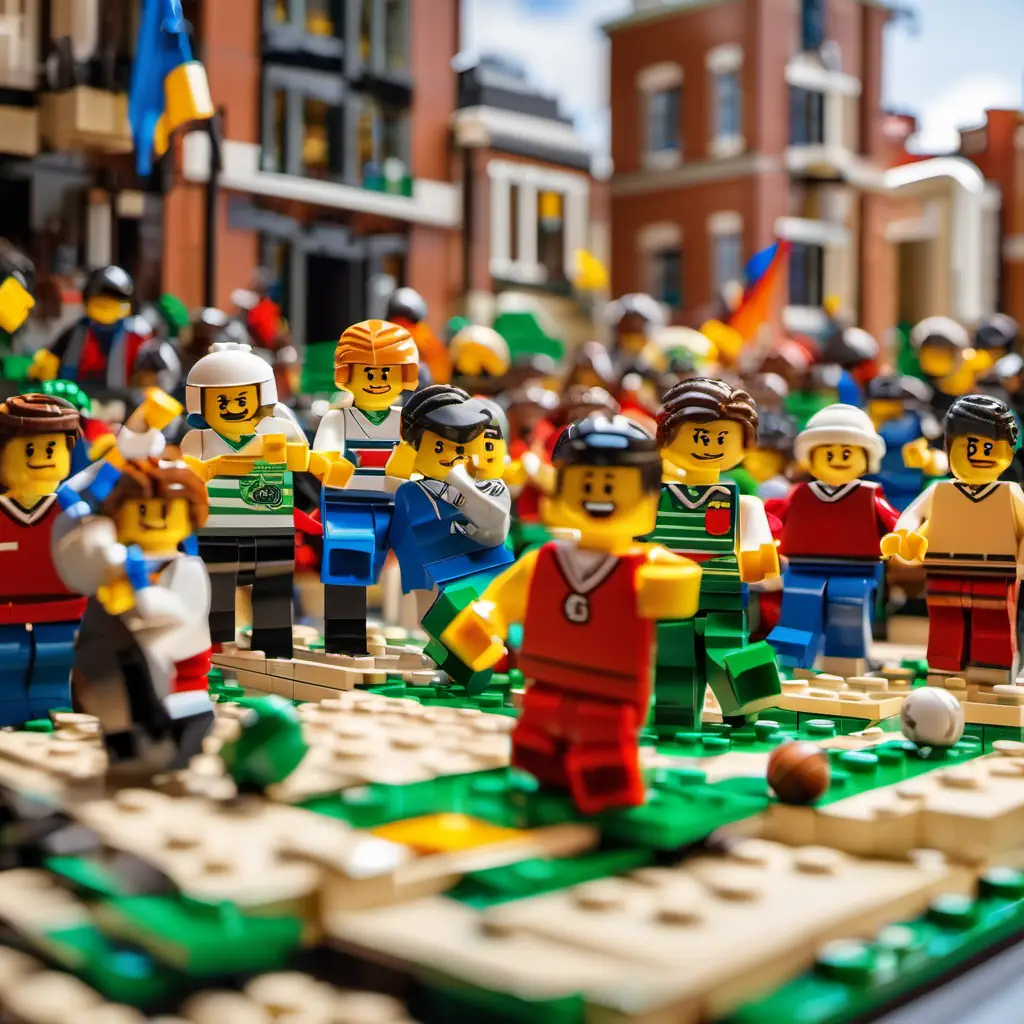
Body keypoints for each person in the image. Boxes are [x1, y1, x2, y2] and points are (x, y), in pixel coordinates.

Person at [442, 414, 701, 813]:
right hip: (547, 682)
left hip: (610, 692)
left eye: (614, 485)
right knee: (535, 745)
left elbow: (678, 587)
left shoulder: (646, 564)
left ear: (649, 498)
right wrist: (483, 621)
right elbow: (499, 600)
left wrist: (672, 582)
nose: (599, 495)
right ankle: (547, 783)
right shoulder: (544, 560)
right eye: (586, 483)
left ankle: (610, 815)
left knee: (605, 760)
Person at [182, 342, 350, 658]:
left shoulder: (281, 429)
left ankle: (273, 653)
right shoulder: (199, 439)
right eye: (221, 400)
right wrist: (219, 465)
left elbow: (308, 462)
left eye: (242, 398)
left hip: (272, 529)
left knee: (272, 596)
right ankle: (213, 654)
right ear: (200, 400)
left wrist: (328, 467)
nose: (232, 406)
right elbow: (191, 474)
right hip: (219, 530)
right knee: (217, 598)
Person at [52, 457, 215, 776]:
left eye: (166, 510)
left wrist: (140, 590)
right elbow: (76, 569)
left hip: (180, 666)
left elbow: (184, 615)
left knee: (171, 724)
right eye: (141, 509)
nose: (154, 519)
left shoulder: (187, 566)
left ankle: (168, 761)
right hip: (123, 668)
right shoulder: (117, 563)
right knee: (121, 725)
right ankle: (126, 757)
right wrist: (86, 528)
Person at [651, 378, 782, 733]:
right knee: (674, 661)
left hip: (721, 595)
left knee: (729, 657)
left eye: (722, 438)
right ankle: (676, 716)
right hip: (671, 598)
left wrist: (758, 555)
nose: (709, 445)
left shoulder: (743, 502)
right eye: (699, 436)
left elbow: (757, 539)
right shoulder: (655, 500)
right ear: (668, 437)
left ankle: (746, 709)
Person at [883, 394, 1024, 685]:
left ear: (1008, 453)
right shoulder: (939, 491)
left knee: (993, 625)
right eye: (970, 445)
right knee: (945, 625)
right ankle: (945, 673)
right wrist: (905, 536)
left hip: (997, 574)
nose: (979, 454)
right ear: (949, 448)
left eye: (988, 446)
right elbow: (911, 515)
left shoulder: (1010, 493)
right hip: (944, 571)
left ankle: (991, 677)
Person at [312, 319, 419, 655]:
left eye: (386, 372)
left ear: (404, 374)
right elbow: (324, 452)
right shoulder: (337, 418)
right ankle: (345, 640)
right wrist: (327, 463)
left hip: (398, 506)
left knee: (429, 559)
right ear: (347, 375)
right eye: (368, 373)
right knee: (348, 561)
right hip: (349, 507)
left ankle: (425, 637)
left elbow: (424, 458)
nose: (378, 381)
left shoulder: (407, 420)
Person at [767, 405, 899, 673]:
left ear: (866, 457)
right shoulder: (800, 494)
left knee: (848, 613)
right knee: (797, 614)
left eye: (847, 452)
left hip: (854, 570)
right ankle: (790, 665)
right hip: (802, 568)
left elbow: (894, 522)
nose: (838, 458)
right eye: (828, 452)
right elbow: (776, 520)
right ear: (810, 457)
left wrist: (903, 538)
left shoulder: (870, 495)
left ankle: (846, 665)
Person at [0, 393, 84, 724]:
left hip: (65, 607)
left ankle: (54, 709)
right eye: (28, 448)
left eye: (51, 448)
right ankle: (8, 710)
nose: (41, 457)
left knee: (57, 661)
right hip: (5, 611)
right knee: (7, 661)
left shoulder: (73, 508)